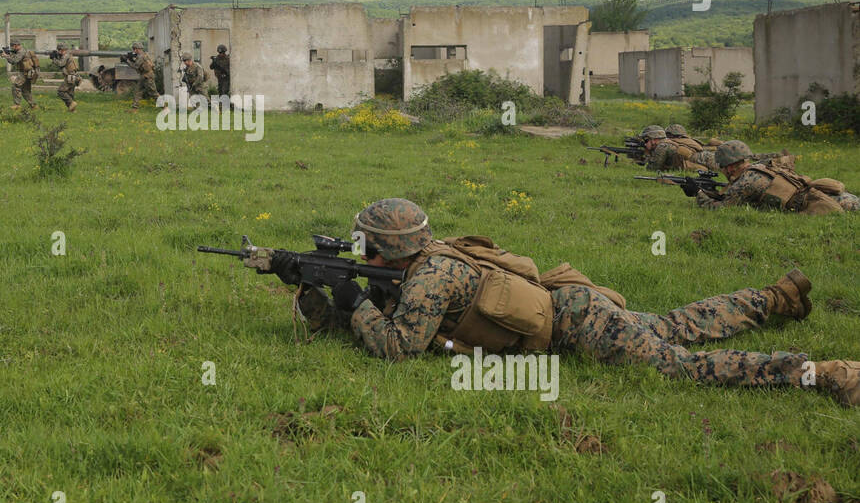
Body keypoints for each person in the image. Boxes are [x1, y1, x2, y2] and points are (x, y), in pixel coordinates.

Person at [258, 197, 859, 407]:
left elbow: (396, 349)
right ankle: (775, 298)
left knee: (678, 363)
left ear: (387, 249)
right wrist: (305, 279)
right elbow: (382, 309)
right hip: (568, 301)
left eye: (366, 244)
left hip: (576, 325)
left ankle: (819, 372)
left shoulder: (428, 279)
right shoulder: (424, 260)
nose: (359, 248)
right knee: (675, 323)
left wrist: (348, 298)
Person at [696, 141, 858, 213]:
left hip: (820, 202)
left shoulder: (747, 181)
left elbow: (722, 209)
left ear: (730, 167)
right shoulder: (761, 166)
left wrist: (699, 195)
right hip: (824, 194)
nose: (723, 171)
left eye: (723, 167)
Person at [640, 125, 717, 172]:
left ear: (654, 139)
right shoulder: (669, 142)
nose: (645, 143)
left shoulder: (662, 146)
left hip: (705, 160)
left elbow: (651, 169)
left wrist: (647, 154)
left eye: (646, 140)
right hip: (706, 158)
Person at [2, 41, 39, 108]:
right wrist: (9, 55)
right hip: (28, 72)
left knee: (15, 86)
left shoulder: (21, 52)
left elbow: (14, 61)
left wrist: (6, 56)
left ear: (16, 46)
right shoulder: (23, 51)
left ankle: (17, 105)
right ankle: (33, 105)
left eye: (12, 46)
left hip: (25, 73)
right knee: (25, 90)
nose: (12, 48)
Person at [50, 43, 80, 112]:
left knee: (61, 91)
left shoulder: (66, 55)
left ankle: (72, 103)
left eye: (59, 50)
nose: (59, 51)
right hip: (74, 77)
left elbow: (61, 64)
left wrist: (54, 59)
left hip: (70, 77)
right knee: (70, 94)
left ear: (63, 50)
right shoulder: (68, 55)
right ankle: (72, 110)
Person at [128, 42, 157, 109]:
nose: (134, 51)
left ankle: (164, 107)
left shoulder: (141, 56)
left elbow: (136, 66)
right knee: (138, 91)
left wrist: (128, 61)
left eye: (134, 49)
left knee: (153, 93)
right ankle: (134, 107)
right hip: (144, 75)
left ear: (138, 49)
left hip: (147, 76)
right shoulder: (142, 55)